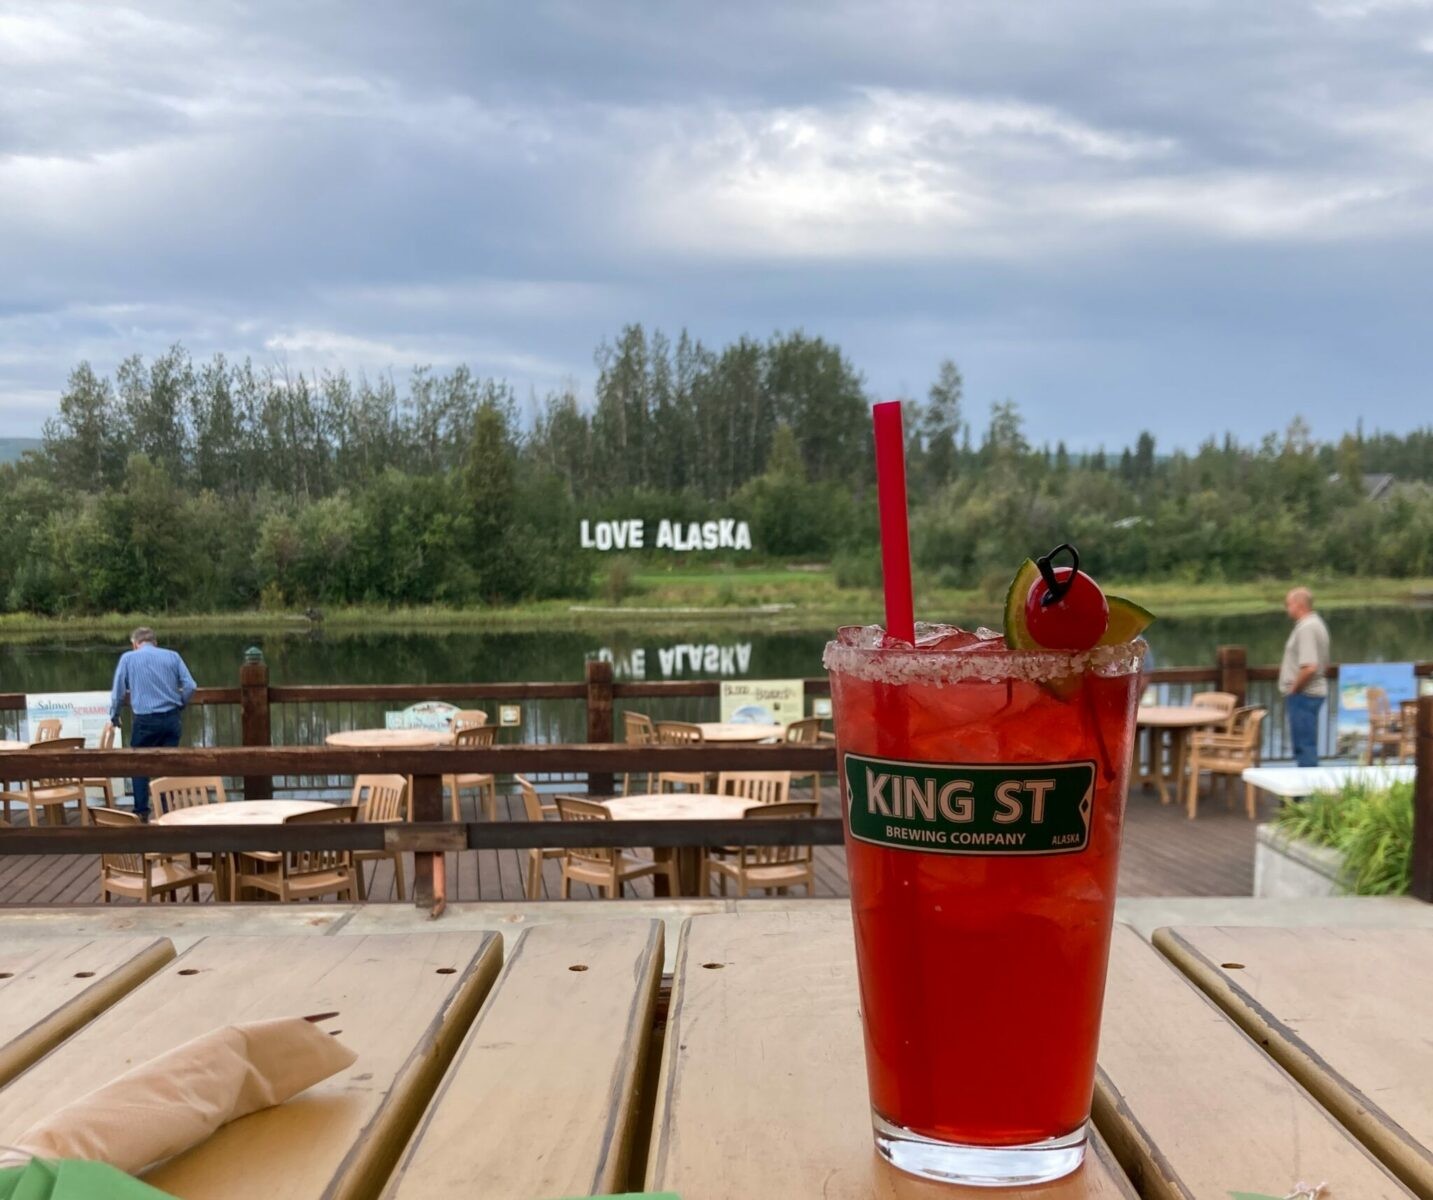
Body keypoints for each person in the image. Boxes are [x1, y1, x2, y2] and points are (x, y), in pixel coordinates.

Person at [108, 627, 197, 821]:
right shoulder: (173, 656)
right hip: (172, 719)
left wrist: (114, 716)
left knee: (139, 766)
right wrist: (180, 703)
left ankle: (141, 812)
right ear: (155, 642)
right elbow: (191, 686)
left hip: (145, 720)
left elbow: (118, 694)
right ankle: (167, 812)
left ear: (135, 644)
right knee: (167, 765)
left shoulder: (128, 659)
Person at [1278, 587, 1330, 769]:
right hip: (1307, 694)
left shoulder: (1307, 628)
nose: (1287, 608)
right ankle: (1304, 793)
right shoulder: (1314, 624)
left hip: (1304, 695)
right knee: (1305, 745)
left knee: (1304, 747)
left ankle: (1306, 795)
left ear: (1299, 605)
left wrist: (1294, 689)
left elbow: (1310, 667)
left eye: (1288, 604)